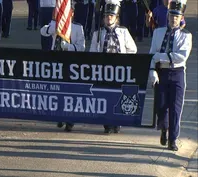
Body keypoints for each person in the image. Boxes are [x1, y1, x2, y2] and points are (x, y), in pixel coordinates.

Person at [149, 0, 192, 151]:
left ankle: (173, 139)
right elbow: (151, 54)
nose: (174, 19)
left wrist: (161, 57)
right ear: (167, 16)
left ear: (181, 18)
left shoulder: (186, 36)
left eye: (177, 16)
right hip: (161, 72)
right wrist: (152, 70)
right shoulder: (158, 32)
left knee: (175, 107)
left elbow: (182, 56)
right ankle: (164, 129)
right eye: (171, 15)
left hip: (177, 73)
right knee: (161, 106)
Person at [89, 0, 137, 134]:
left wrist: (123, 61)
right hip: (103, 70)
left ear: (116, 18)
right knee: (105, 96)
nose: (108, 18)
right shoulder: (97, 33)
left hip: (119, 70)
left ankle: (118, 122)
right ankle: (107, 124)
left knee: (118, 96)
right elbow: (92, 52)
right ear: (103, 17)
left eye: (111, 15)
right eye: (106, 15)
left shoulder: (123, 32)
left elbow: (133, 49)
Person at [40, 7, 85, 132]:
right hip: (56, 61)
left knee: (70, 92)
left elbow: (81, 47)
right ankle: (60, 115)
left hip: (71, 63)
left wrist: (68, 47)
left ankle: (70, 120)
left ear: (72, 14)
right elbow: (43, 31)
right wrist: (52, 26)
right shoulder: (56, 24)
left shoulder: (77, 27)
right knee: (56, 89)